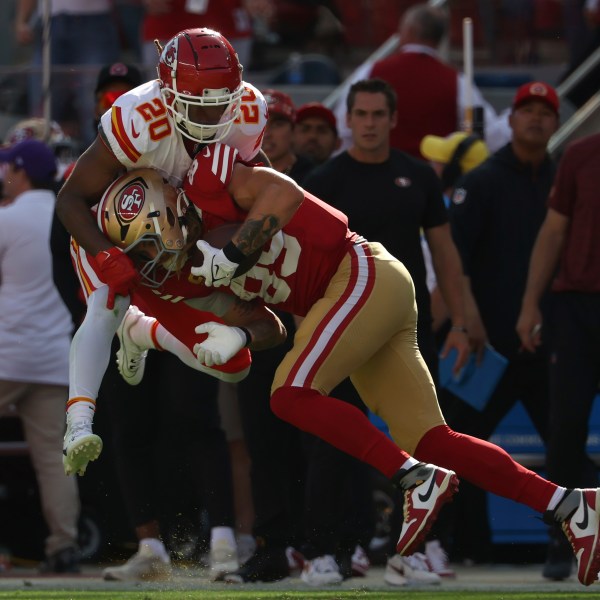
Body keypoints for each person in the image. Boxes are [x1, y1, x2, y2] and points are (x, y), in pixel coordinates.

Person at [106, 141, 600, 588]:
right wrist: (238, 331)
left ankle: (414, 479)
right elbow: (271, 327)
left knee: (289, 394)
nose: (151, 256)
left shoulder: (213, 184)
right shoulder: (192, 272)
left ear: (165, 209)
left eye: (148, 240)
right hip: (356, 297)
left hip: (358, 272)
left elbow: (284, 196)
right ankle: (572, 506)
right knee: (433, 440)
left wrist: (234, 255)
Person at [54, 27, 269, 481]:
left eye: (220, 101)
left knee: (234, 368)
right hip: (119, 222)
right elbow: (71, 199)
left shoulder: (247, 110)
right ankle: (78, 424)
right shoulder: (137, 116)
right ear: (168, 93)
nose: (213, 114)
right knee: (104, 305)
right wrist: (107, 255)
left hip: (187, 230)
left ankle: (144, 333)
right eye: (200, 103)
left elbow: (260, 182)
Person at [303, 77, 469, 581]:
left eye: (379, 115)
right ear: (348, 120)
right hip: (343, 327)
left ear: (393, 120)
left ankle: (413, 550)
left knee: (425, 439)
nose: (370, 124)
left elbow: (444, 251)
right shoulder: (326, 181)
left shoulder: (417, 177)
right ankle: (321, 554)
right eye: (362, 115)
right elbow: (306, 259)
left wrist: (460, 321)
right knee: (333, 442)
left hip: (404, 333)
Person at [447, 81, 560, 569]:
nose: (535, 119)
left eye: (545, 112)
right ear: (509, 121)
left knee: (567, 447)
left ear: (555, 123)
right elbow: (456, 260)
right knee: (460, 447)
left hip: (550, 346)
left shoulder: (565, 180)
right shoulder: (484, 180)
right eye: (526, 110)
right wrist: (468, 321)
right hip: (487, 344)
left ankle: (568, 545)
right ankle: (463, 546)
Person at [517, 130, 600, 581]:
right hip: (576, 309)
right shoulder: (580, 155)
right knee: (564, 429)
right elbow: (553, 231)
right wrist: (531, 302)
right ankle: (562, 538)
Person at [0, 139, 81, 573]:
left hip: (8, 352)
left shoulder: (7, 218)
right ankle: (63, 546)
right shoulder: (70, 215)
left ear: (19, 170)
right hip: (55, 354)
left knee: (51, 456)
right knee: (53, 458)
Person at [331, 3, 511, 158]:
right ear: (439, 38)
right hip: (432, 184)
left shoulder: (371, 70)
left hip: (376, 174)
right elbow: (486, 134)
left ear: (406, 31)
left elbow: (343, 128)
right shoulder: (456, 81)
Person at [15, 0, 120, 145]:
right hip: (49, 21)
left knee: (94, 105)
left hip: (93, 19)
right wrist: (22, 19)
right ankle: (42, 162)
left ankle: (100, 163)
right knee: (43, 104)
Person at [261, 89, 315, 183]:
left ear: (294, 130)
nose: (266, 134)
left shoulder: (316, 178)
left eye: (277, 124)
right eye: (259, 124)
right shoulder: (234, 175)